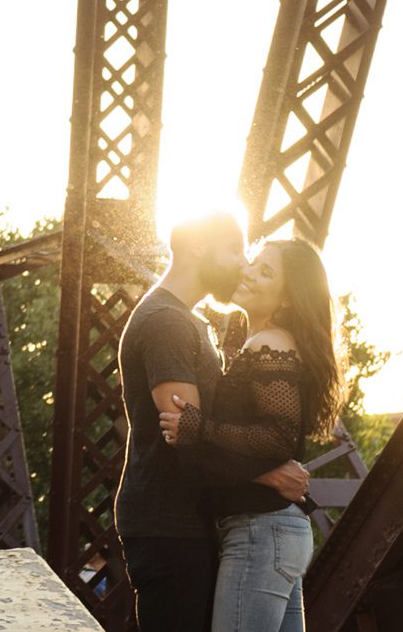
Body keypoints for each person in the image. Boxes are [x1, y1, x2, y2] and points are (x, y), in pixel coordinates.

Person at [116, 215, 310, 631]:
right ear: (199, 247)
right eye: (235, 251)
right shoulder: (167, 322)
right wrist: (269, 474)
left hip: (187, 522)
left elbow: (195, 430)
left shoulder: (187, 320)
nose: (243, 265)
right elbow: (183, 434)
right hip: (169, 526)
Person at [160, 238, 347, 632]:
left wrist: (199, 428)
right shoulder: (258, 340)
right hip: (273, 531)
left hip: (260, 531)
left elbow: (278, 437)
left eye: (266, 272)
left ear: (287, 301)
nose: (248, 272)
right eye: (254, 263)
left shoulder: (270, 344)